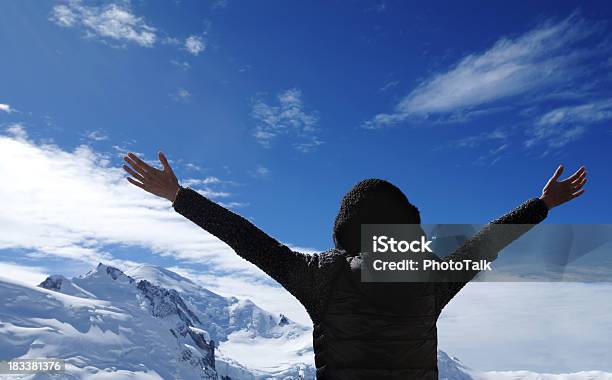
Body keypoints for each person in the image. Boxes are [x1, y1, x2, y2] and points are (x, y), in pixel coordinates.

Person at [123, 151, 587, 380]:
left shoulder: (320, 275)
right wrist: (541, 204)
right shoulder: (431, 278)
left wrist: (180, 197)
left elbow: (249, 242)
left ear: (346, 228)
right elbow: (489, 241)